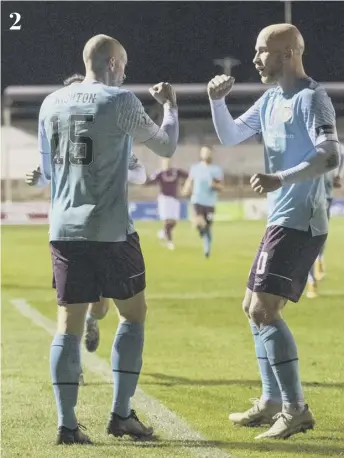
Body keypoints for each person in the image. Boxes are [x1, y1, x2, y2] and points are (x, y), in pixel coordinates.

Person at [37, 34, 178, 444]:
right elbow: (166, 144)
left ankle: (66, 426)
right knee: (132, 316)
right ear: (114, 63)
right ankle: (121, 415)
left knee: (67, 327)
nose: (126, 72)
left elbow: (46, 167)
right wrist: (169, 106)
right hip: (112, 230)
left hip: (63, 228)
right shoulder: (121, 101)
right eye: (125, 64)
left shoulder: (50, 103)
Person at [208, 23, 340, 439]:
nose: (255, 58)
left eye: (262, 50)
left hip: (301, 219)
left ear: (288, 53)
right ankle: (269, 400)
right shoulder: (270, 100)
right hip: (280, 218)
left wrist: (281, 178)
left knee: (264, 310)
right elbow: (229, 135)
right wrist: (217, 102)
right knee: (252, 307)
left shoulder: (312, 98)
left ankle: (295, 408)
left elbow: (330, 156)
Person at [26, 73, 147, 368]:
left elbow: (141, 174)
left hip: (105, 226)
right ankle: (73, 365)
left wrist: (116, 172)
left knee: (99, 306)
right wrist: (39, 178)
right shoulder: (62, 135)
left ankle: (93, 323)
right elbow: (50, 173)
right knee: (70, 312)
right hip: (74, 229)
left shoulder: (115, 137)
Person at [306, 142, 344, 298]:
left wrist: (339, 175)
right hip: (307, 198)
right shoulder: (305, 142)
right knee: (308, 238)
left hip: (326, 197)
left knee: (319, 236)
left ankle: (320, 259)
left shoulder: (331, 143)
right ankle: (311, 280)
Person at [182, 146, 224, 258]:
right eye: (204, 152)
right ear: (201, 154)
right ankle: (200, 228)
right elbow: (190, 180)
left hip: (210, 203)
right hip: (197, 200)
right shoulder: (195, 168)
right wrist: (186, 188)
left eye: (208, 152)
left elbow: (221, 187)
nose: (206, 154)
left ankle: (207, 249)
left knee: (207, 227)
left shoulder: (216, 170)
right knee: (199, 222)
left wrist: (214, 185)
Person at [146, 158, 188, 250]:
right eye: (165, 162)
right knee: (166, 220)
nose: (167, 163)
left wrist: (186, 187)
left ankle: (164, 232)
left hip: (174, 199)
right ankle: (170, 242)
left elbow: (189, 176)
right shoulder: (160, 173)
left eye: (168, 161)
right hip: (164, 199)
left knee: (175, 221)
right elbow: (148, 182)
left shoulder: (176, 172)